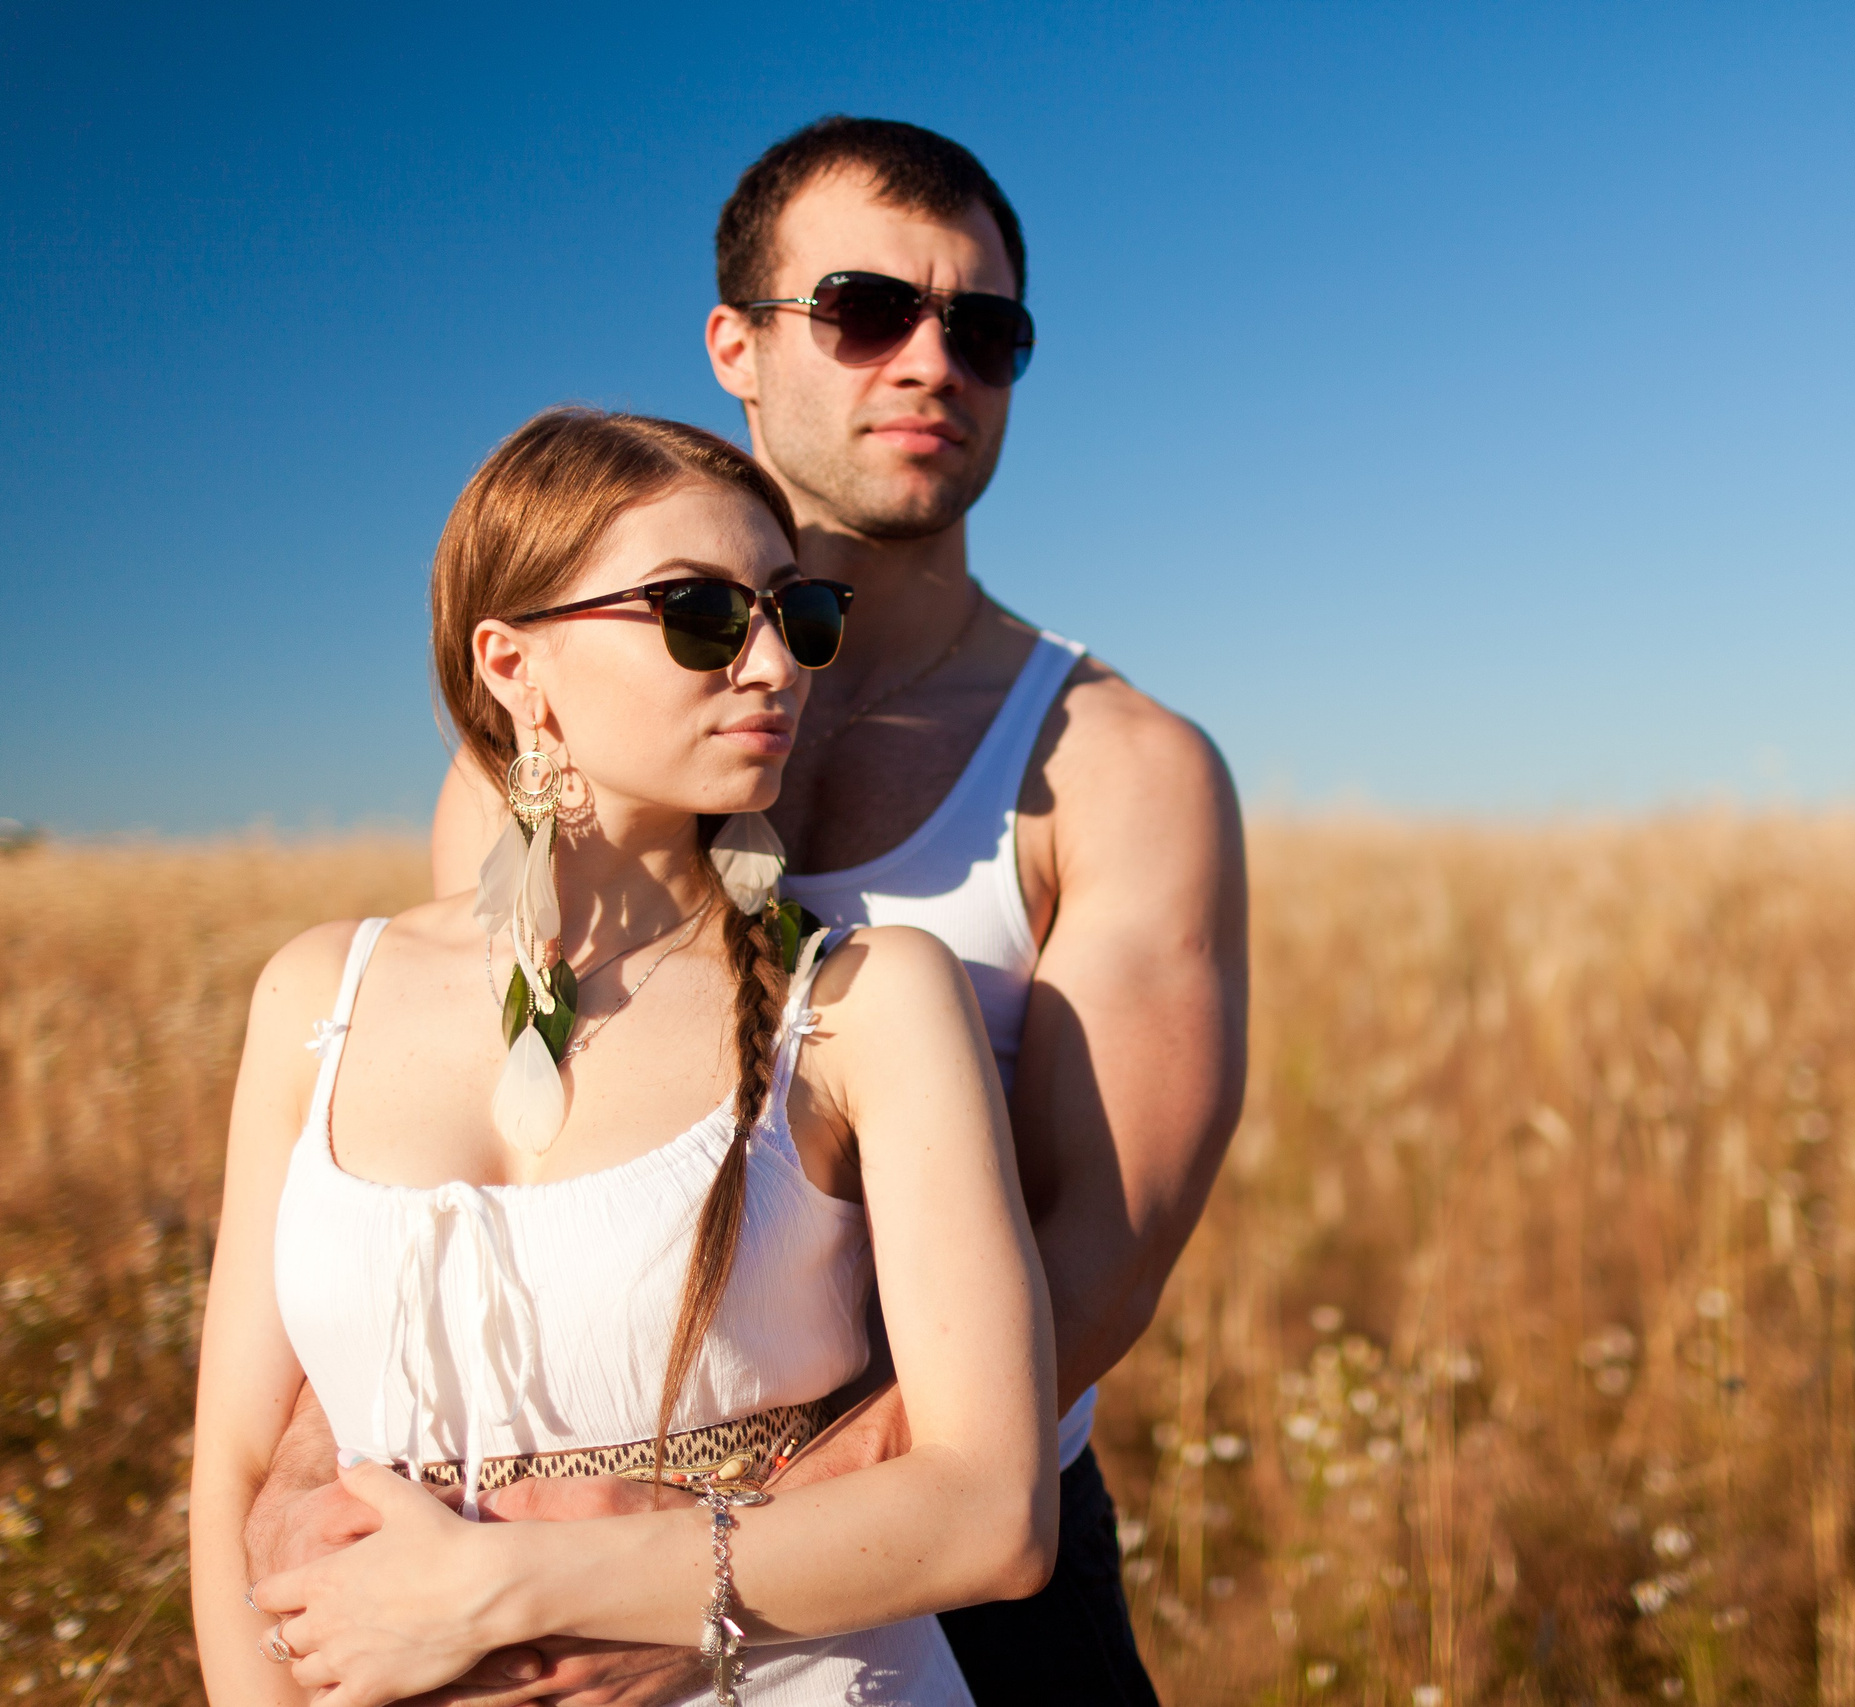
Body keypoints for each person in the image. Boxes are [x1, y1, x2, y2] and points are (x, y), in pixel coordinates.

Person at [246, 118, 1248, 1705]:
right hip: (519, 1566)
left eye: (985, 328)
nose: (931, 362)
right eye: (866, 309)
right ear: (736, 346)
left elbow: (1104, 1255)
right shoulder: (551, 757)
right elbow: (461, 1165)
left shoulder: (1115, 769)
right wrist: (310, 1465)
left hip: (957, 1568)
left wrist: (698, 1574)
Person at [192, 409, 1058, 1706]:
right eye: (701, 613)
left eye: (800, 613)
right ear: (512, 662)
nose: (774, 662)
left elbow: (991, 1511)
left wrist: (506, 1591)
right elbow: (232, 1471)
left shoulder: (867, 1001)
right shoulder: (321, 990)